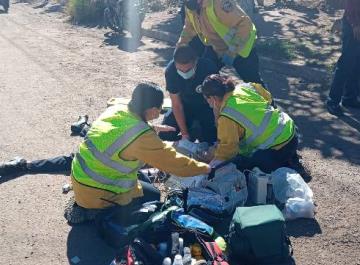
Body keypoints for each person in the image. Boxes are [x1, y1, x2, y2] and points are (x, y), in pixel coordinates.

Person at [68, 82, 211, 223]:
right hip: (98, 189)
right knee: (153, 199)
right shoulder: (142, 137)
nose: (159, 111)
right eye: (159, 109)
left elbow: (122, 130)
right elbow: (174, 163)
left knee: (144, 182)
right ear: (151, 109)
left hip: (81, 176)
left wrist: (153, 128)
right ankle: (98, 213)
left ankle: (87, 203)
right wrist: (206, 168)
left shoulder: (117, 109)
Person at [199, 74, 311, 181]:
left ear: (213, 98)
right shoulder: (244, 87)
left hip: (277, 149)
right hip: (291, 131)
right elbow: (268, 97)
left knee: (245, 167)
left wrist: (211, 164)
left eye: (207, 99)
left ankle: (289, 169)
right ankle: (293, 159)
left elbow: (228, 151)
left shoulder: (226, 116)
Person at [178, 0, 265, 86]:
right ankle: (213, 98)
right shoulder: (189, 6)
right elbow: (189, 28)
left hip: (241, 47)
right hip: (216, 47)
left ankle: (266, 99)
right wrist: (180, 45)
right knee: (204, 75)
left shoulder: (219, 3)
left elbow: (245, 24)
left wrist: (231, 52)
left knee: (253, 83)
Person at [159, 45, 218, 143]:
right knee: (165, 134)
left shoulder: (208, 68)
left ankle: (197, 129)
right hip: (185, 105)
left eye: (188, 70)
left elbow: (216, 100)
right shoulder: (171, 71)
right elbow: (177, 104)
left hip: (206, 106)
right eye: (180, 70)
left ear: (196, 61)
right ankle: (191, 131)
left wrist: (217, 122)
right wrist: (184, 134)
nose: (184, 74)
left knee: (210, 140)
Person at [326, 0, 360, 116]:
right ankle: (332, 101)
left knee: (357, 65)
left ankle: (349, 98)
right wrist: (355, 23)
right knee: (346, 64)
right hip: (354, 25)